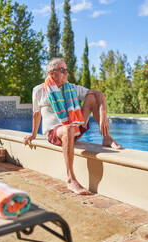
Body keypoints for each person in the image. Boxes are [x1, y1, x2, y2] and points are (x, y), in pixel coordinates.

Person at [24, 58, 122, 195]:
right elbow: (36, 114)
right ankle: (71, 180)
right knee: (68, 128)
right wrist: (33, 134)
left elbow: (99, 94)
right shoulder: (39, 90)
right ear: (51, 73)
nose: (66, 73)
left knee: (92, 98)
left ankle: (107, 137)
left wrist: (103, 115)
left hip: (73, 128)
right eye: (62, 70)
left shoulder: (71, 88)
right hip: (55, 132)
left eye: (66, 70)